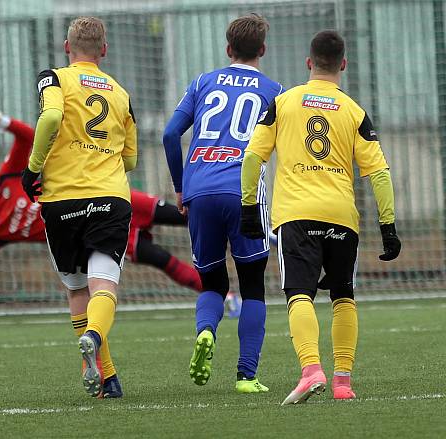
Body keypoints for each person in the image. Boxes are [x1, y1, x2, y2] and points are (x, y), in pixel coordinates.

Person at [0, 99, 198, 398]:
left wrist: (3, 122)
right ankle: (109, 373)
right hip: (84, 229)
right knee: (159, 261)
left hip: (98, 202)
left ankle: (237, 235)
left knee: (185, 215)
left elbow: (31, 136)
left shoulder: (9, 177)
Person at [241, 30, 400, 405]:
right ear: (343, 64)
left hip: (297, 215)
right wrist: (388, 225)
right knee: (344, 295)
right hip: (342, 216)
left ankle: (311, 370)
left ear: (308, 63)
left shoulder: (284, 102)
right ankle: (343, 383)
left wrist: (250, 207)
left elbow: (252, 159)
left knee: (299, 293)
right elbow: (378, 173)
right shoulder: (355, 111)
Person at [162, 13, 281, 393]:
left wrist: (181, 188)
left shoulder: (203, 82)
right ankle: (247, 376)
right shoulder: (274, 90)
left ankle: (206, 332)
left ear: (228, 49)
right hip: (243, 192)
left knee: (212, 283)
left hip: (199, 190)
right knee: (253, 287)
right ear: (262, 49)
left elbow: (169, 134)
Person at [26, 16, 136, 398]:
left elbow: (52, 116)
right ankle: (95, 338)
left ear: (66, 46)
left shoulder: (53, 78)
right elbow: (132, 159)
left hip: (63, 199)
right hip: (110, 196)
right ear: (104, 51)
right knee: (104, 284)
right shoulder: (121, 93)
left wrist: (33, 167)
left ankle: (106, 377)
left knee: (77, 289)